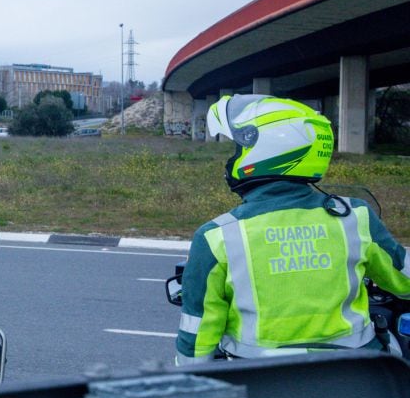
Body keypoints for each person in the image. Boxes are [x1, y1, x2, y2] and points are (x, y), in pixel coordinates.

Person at [175, 94, 410, 363]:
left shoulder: (217, 236)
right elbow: (404, 280)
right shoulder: (354, 217)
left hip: (261, 382)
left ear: (264, 150)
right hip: (352, 379)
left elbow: (196, 338)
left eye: (238, 149)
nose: (232, 159)